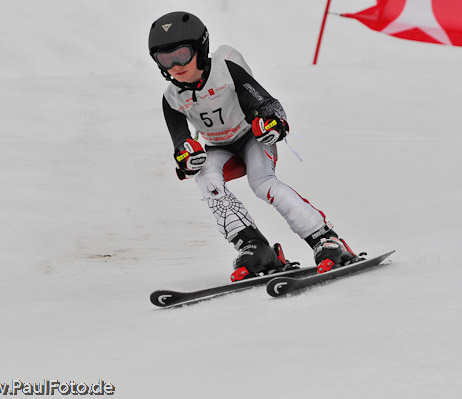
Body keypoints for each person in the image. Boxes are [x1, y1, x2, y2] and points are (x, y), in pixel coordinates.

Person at [148, 11, 356, 281]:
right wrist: (186, 157)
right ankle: (253, 246)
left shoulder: (225, 68)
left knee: (262, 183)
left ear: (201, 48)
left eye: (182, 54)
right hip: (218, 147)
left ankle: (325, 240)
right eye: (165, 59)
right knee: (207, 178)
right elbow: (180, 141)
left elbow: (264, 100)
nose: (176, 65)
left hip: (251, 138)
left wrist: (272, 121)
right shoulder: (171, 98)